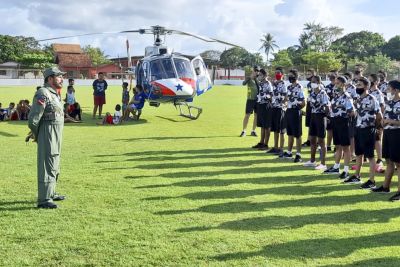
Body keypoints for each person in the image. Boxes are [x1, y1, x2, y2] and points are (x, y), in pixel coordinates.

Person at [28, 66, 66, 209]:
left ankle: (51, 192)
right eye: (59, 76)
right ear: (50, 78)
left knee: (55, 161)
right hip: (47, 133)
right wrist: (38, 135)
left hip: (56, 133)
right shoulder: (43, 93)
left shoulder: (55, 93)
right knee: (47, 163)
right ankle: (44, 199)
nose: (62, 79)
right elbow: (33, 120)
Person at [345, 77, 382, 186]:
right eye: (357, 85)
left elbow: (379, 115)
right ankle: (357, 176)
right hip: (359, 129)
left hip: (368, 129)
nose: (357, 87)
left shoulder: (372, 99)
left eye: (360, 85)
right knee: (359, 154)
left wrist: (374, 127)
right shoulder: (358, 99)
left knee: (370, 156)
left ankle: (372, 181)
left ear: (366, 86)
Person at [372, 80, 400, 201]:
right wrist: (383, 122)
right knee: (389, 161)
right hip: (388, 133)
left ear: (396, 90)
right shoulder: (389, 102)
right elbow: (385, 116)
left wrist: (390, 121)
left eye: (389, 88)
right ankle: (385, 187)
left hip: (397, 134)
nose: (387, 90)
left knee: (399, 164)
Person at [323, 76, 355, 179]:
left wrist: (346, 116)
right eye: (335, 83)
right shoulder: (336, 96)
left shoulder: (347, 96)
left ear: (343, 84)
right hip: (335, 122)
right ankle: (336, 166)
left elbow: (352, 112)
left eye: (338, 83)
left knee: (345, 147)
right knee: (337, 146)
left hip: (343, 122)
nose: (335, 85)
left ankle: (346, 170)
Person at [303, 75, 330, 170]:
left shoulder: (323, 93)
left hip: (321, 117)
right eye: (311, 82)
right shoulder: (311, 94)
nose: (312, 83)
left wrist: (325, 116)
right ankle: (312, 160)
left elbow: (327, 107)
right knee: (312, 140)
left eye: (314, 82)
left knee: (321, 141)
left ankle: (323, 163)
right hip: (313, 117)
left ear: (318, 82)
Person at [282, 69, 305, 162]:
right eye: (289, 75)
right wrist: (285, 102)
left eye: (291, 75)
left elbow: (303, 102)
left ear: (295, 76)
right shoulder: (289, 87)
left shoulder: (299, 87)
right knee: (290, 133)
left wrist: (297, 108)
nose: (289, 77)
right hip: (289, 111)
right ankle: (289, 152)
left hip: (296, 111)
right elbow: (287, 98)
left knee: (297, 134)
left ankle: (298, 154)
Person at [266, 67, 287, 157]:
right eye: (276, 73)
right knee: (275, 129)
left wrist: (282, 104)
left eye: (278, 73)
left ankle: (281, 148)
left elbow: (286, 97)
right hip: (273, 107)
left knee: (281, 129)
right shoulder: (273, 83)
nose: (277, 74)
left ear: (282, 74)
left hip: (280, 109)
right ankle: (275, 147)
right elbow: (271, 94)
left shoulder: (284, 84)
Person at [252, 69, 273, 150]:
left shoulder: (268, 84)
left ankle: (266, 144)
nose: (259, 76)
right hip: (260, 105)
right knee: (262, 126)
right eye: (259, 75)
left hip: (266, 106)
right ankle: (261, 142)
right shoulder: (260, 83)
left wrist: (264, 96)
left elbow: (271, 96)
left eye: (260, 75)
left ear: (264, 76)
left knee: (267, 126)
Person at [369, 74, 385, 173]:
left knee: (377, 139)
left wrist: (379, 120)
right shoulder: (369, 92)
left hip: (376, 120)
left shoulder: (378, 93)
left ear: (375, 82)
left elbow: (382, 107)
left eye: (370, 80)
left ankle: (379, 158)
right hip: (368, 120)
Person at [240, 66, 259, 137]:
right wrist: (251, 77)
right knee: (247, 115)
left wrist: (256, 78)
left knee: (256, 116)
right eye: (255, 70)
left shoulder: (258, 79)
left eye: (257, 71)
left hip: (258, 100)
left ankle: (253, 131)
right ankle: (244, 131)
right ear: (253, 71)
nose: (256, 72)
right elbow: (243, 83)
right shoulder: (249, 78)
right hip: (250, 99)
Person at [302, 69, 316, 147]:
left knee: (315, 124)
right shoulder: (308, 85)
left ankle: (315, 141)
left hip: (316, 107)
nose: (308, 75)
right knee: (310, 124)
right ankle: (309, 140)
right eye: (307, 74)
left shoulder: (318, 85)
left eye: (309, 74)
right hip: (309, 105)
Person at [325, 70, 338, 152]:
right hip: (330, 112)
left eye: (333, 75)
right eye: (330, 75)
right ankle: (329, 145)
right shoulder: (327, 87)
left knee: (337, 130)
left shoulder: (339, 87)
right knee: (329, 130)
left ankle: (337, 146)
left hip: (338, 112)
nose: (331, 77)